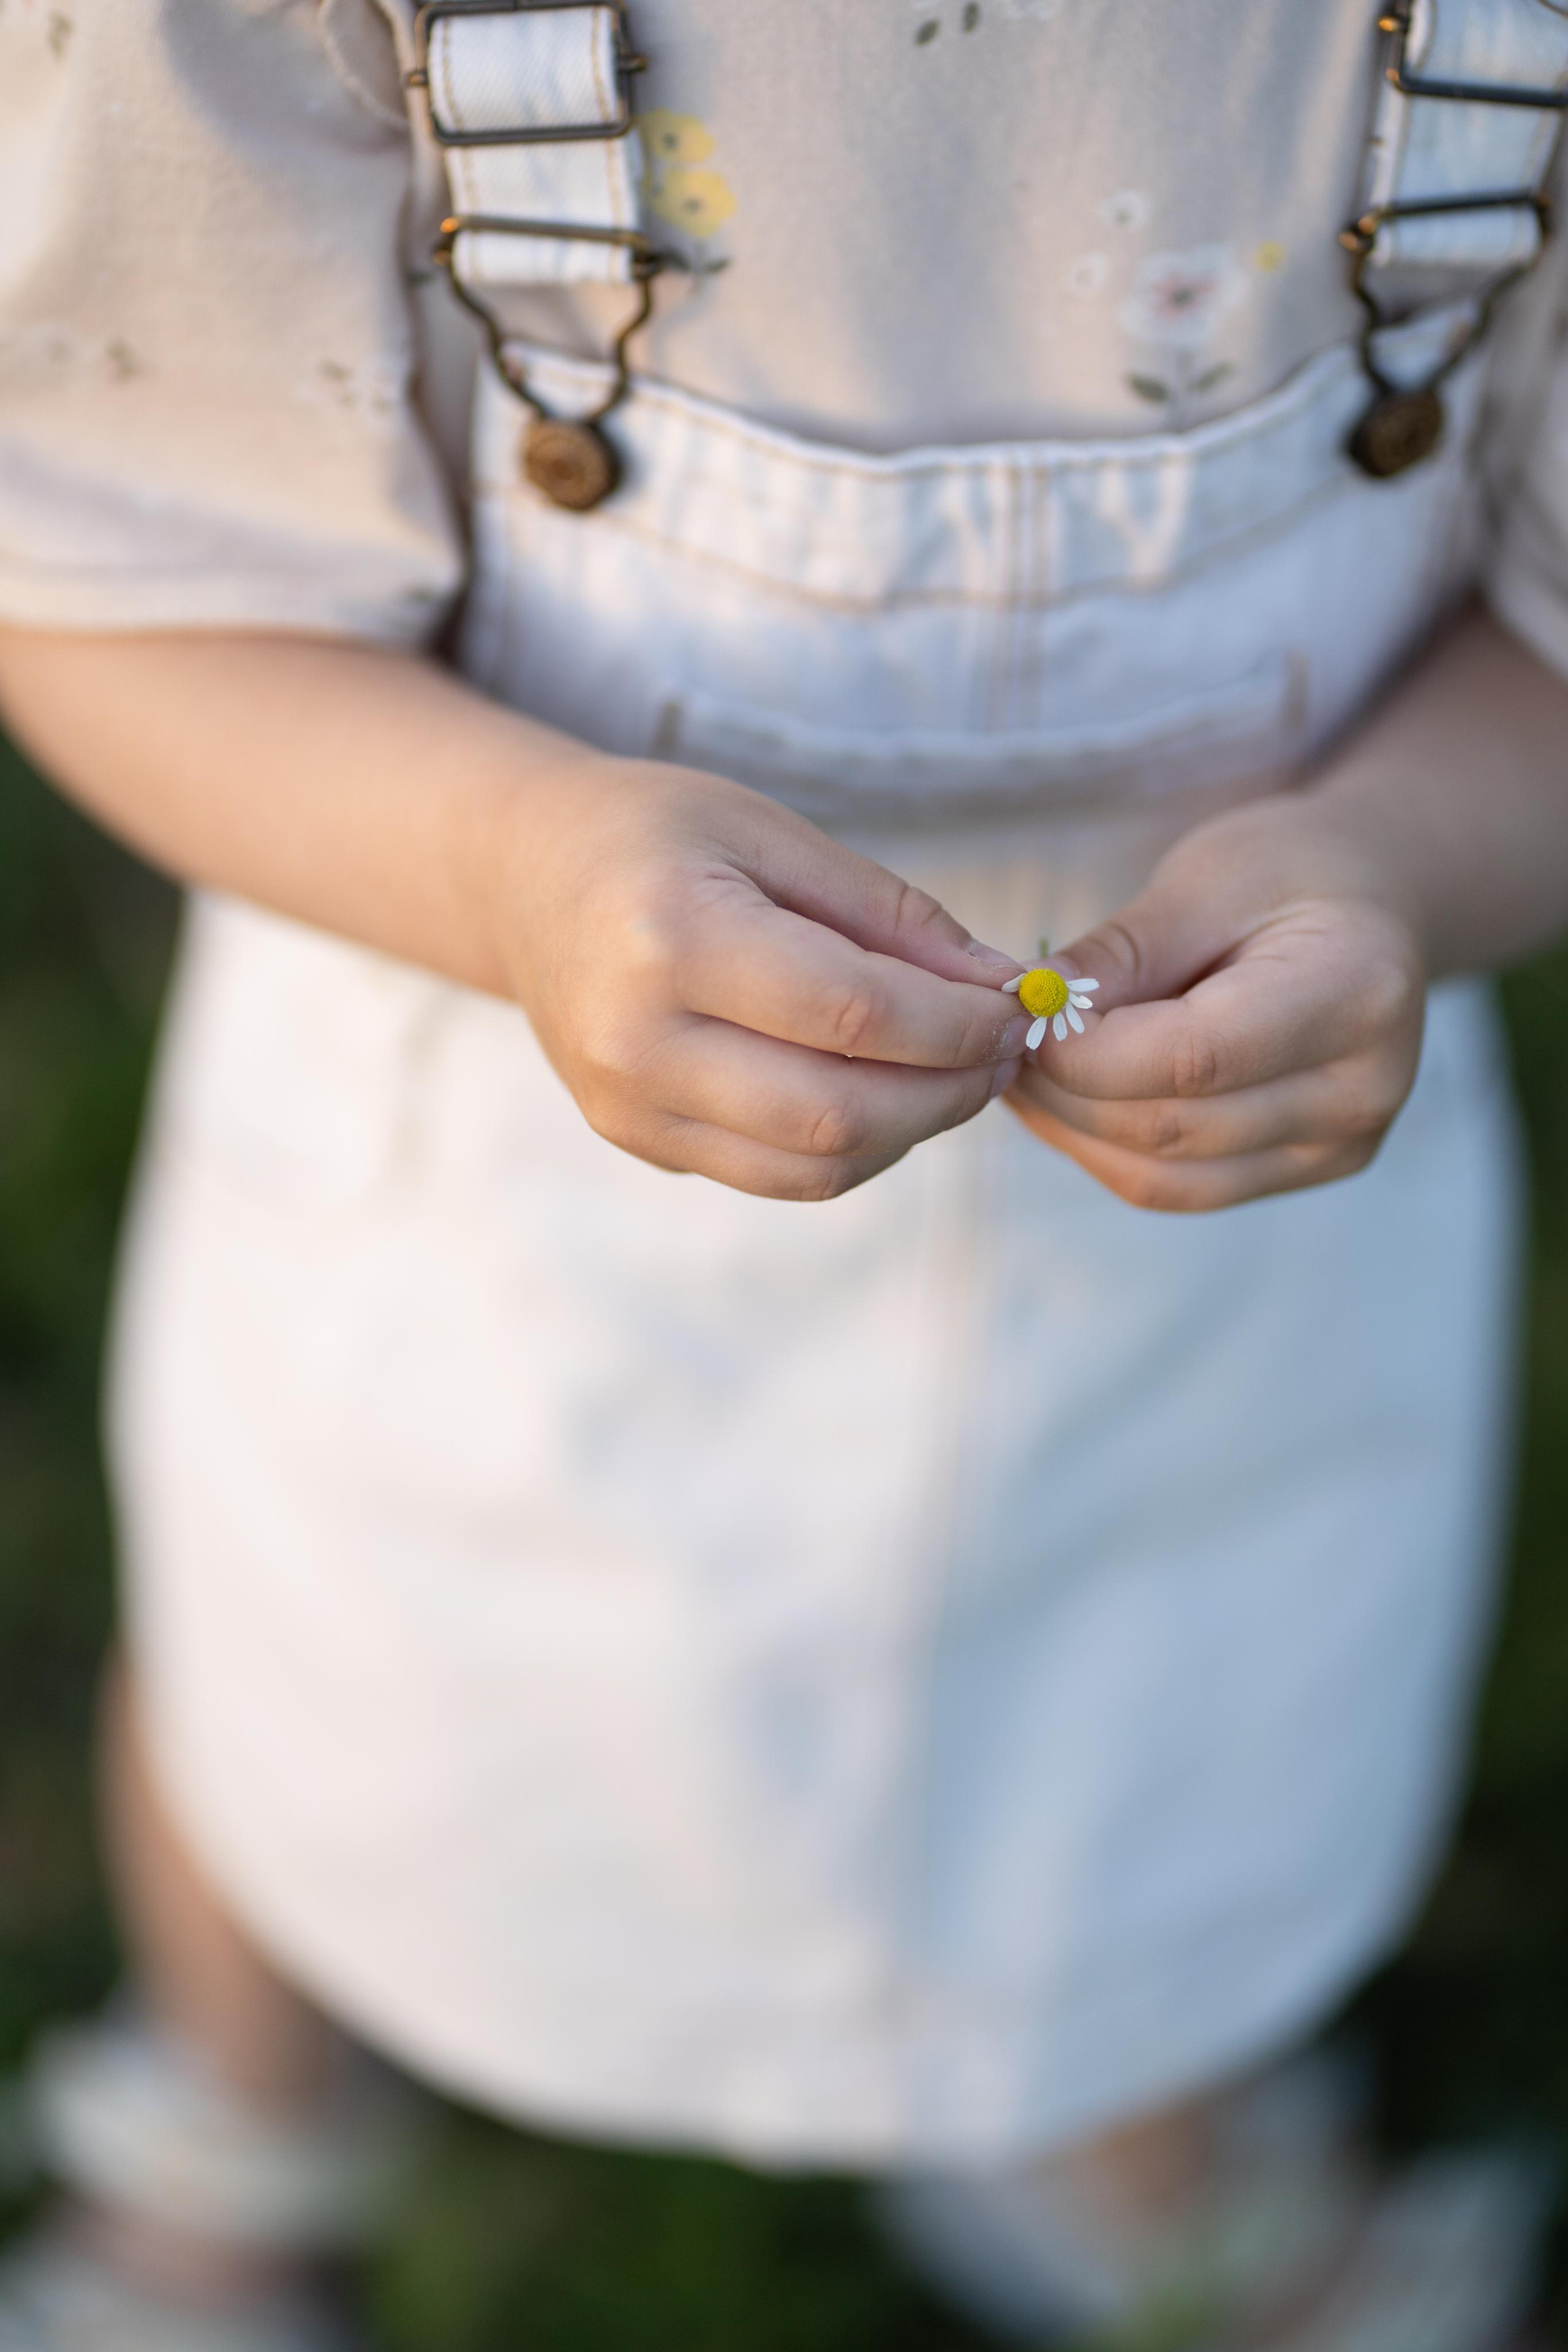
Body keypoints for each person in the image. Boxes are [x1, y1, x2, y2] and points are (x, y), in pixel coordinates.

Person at [2, 1, 1568, 2345]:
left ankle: (1146, 2163)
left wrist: (1405, 870)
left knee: (1152, 1751)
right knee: (305, 1652)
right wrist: (511, 868)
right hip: (472, 1134)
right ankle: (227, 2147)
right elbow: (109, 569)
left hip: (1231, 1236)